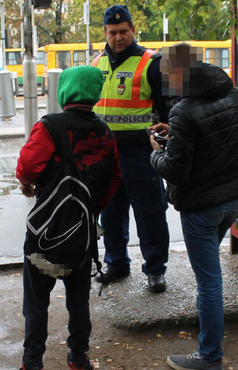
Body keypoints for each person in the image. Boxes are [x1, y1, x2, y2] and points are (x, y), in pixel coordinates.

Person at [149, 42, 238, 370]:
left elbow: (175, 169)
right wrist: (175, 134)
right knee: (210, 277)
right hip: (231, 201)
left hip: (201, 208)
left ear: (180, 74)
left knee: (209, 281)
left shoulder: (184, 111)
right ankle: (209, 337)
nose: (165, 82)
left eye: (167, 75)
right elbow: (219, 139)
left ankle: (209, 356)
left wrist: (156, 151)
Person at [16, 65, 122, 370]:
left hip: (45, 236)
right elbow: (114, 177)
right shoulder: (104, 131)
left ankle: (32, 361)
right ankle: (78, 357)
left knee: (36, 302)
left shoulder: (51, 126)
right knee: (78, 300)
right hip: (82, 236)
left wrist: (27, 185)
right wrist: (92, 209)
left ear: (64, 90)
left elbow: (27, 167)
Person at [91, 4, 174, 293]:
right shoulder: (96, 63)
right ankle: (116, 264)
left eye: (123, 31)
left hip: (142, 154)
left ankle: (155, 270)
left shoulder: (152, 62)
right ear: (105, 32)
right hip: (106, 155)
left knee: (150, 213)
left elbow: (168, 112)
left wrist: (164, 139)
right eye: (112, 33)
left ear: (133, 30)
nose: (118, 38)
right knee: (111, 214)